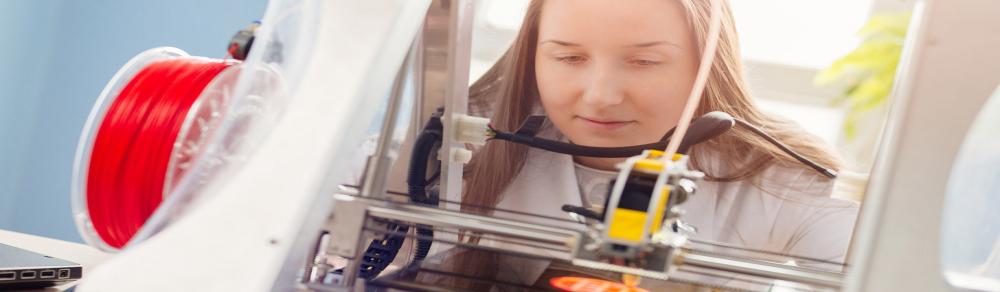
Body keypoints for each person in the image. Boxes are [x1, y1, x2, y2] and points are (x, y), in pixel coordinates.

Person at [452, 0, 860, 286]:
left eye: (643, 62)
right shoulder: (465, 140)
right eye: (570, 58)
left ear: (707, 64)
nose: (600, 96)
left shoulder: (781, 180)